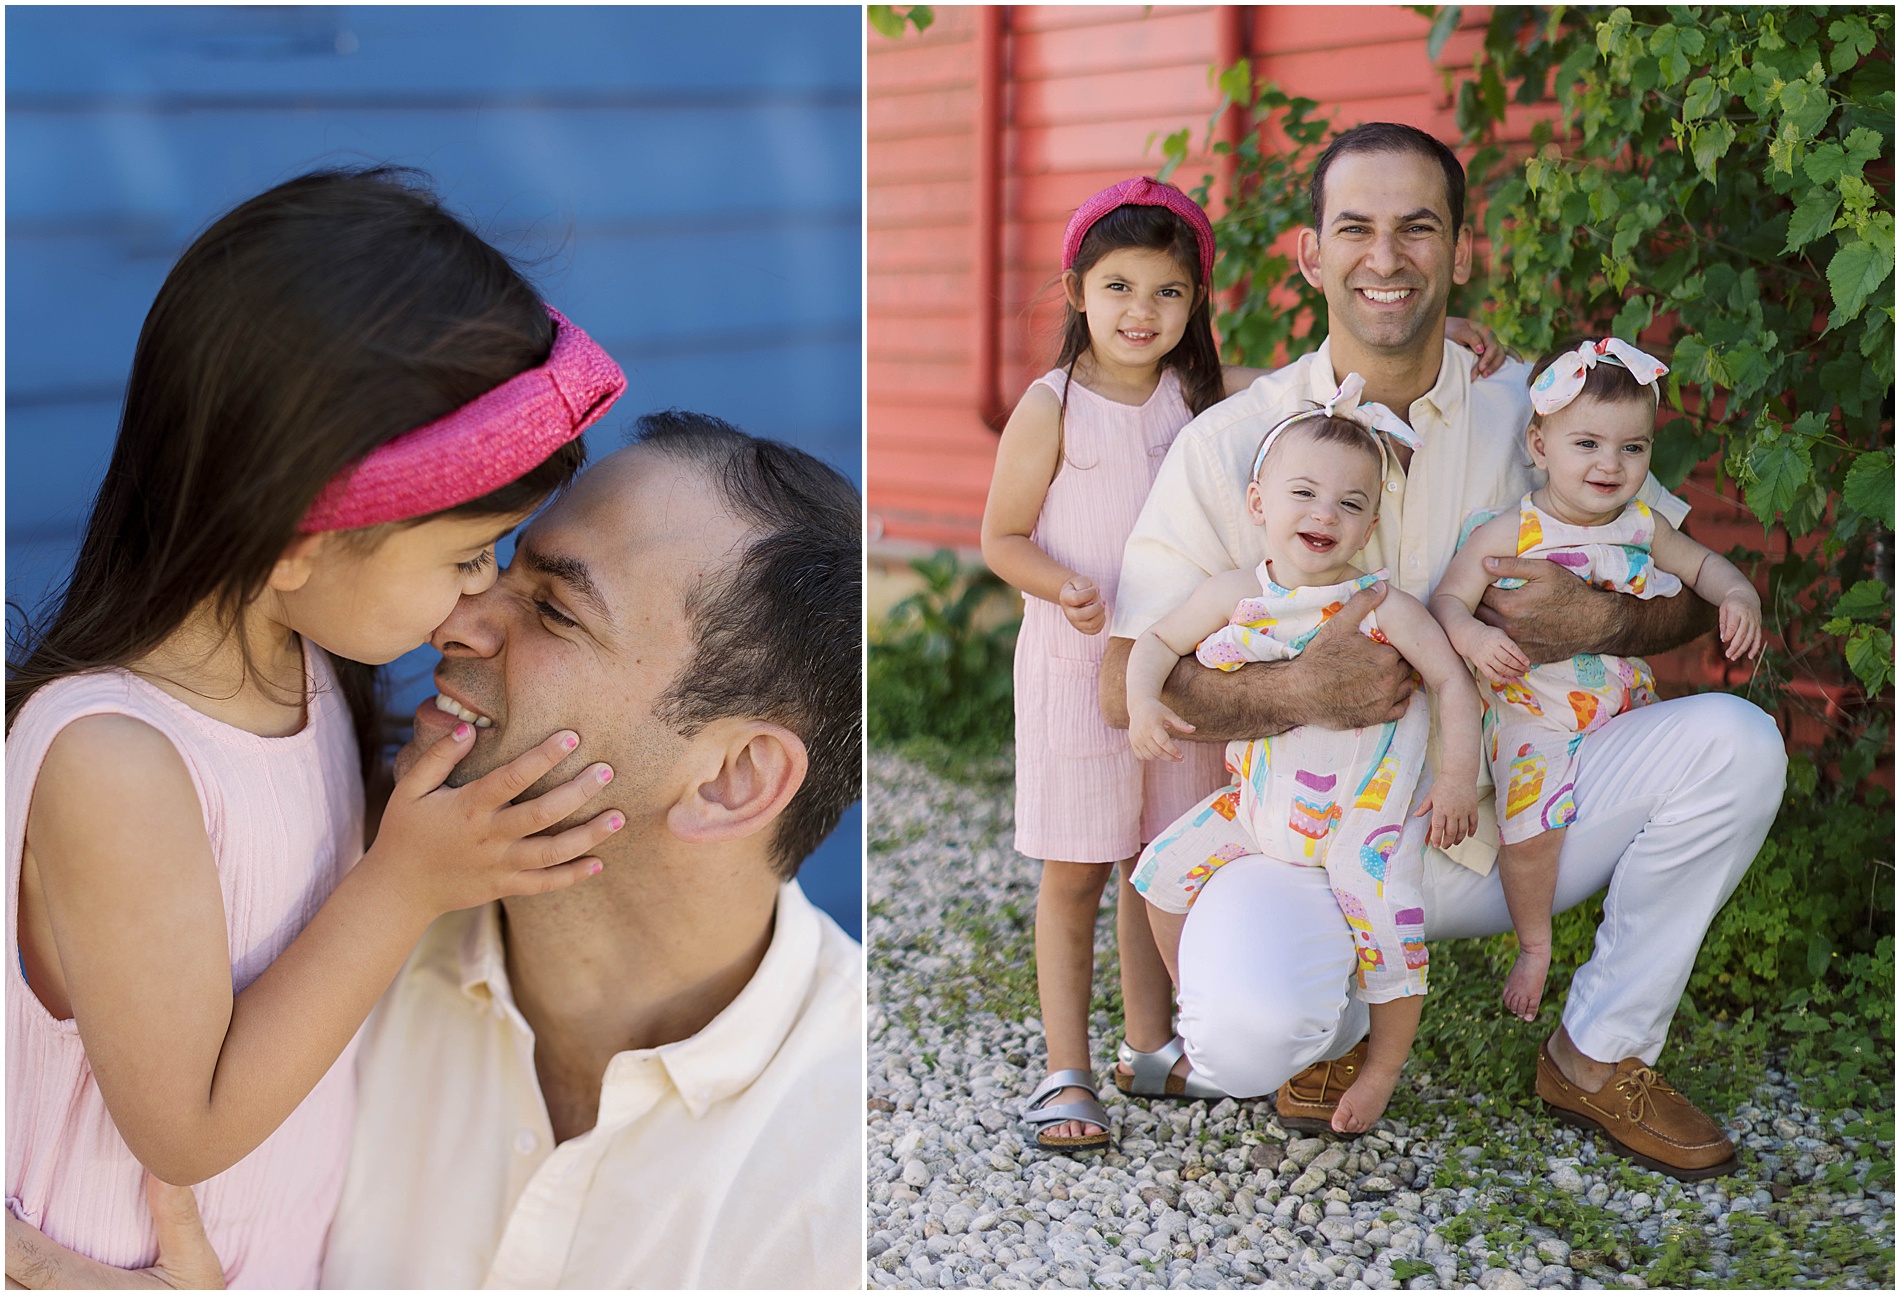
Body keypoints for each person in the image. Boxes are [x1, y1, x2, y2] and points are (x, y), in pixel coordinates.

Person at [6, 413, 865, 1289]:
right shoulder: (310, 888)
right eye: (495, 560)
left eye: (556, 610)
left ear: (732, 778)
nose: (456, 618)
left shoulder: (845, 1187)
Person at [1098, 121, 1784, 1180]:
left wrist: (1598, 620)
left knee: (1735, 744)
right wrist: (1295, 687)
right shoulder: (1235, 441)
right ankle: (1317, 1031)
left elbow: (1687, 599)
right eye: (1355, 228)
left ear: (1460, 252)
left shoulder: (1537, 415)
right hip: (1313, 835)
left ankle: (1597, 1054)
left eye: (1417, 228)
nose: (1385, 257)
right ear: (1309, 254)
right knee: (1241, 1036)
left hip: (1505, 806)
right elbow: (1123, 671)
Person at [5, 168, 623, 1286]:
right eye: (462, 555)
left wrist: (416, 793)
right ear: (293, 539)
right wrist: (403, 881)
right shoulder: (115, 761)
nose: (480, 601)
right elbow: (184, 1122)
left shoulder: (301, 662)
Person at [982, 176, 1503, 1150]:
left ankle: (1152, 1043)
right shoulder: (1051, 405)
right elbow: (1000, 533)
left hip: (1188, 675)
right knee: (1075, 867)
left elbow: (1317, 384)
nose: (1142, 311)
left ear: (1194, 305)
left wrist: (1445, 336)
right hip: (1075, 663)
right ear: (1074, 291)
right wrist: (1058, 585)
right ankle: (1064, 1069)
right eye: (1119, 287)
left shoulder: (1203, 397)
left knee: (1155, 855)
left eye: (1168, 292)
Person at [1123, 378, 1484, 1133]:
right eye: (1304, 493)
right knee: (1157, 873)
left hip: (1361, 827)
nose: (1325, 513)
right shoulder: (1234, 594)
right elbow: (1154, 641)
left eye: (1351, 504)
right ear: (1259, 503)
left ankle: (1382, 1064)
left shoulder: (1385, 606)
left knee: (1391, 938)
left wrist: (1455, 778)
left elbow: (1452, 677)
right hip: (1257, 816)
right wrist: (1143, 702)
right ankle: (1199, 991)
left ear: (1369, 525)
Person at [1431, 337, 1764, 1021]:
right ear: (1539, 445)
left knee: (1693, 779)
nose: (1610, 464)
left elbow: (1706, 567)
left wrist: (1740, 597)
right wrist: (1477, 635)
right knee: (1530, 831)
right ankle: (1534, 942)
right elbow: (1446, 600)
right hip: (1535, 715)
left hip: (1623, 710)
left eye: (1632, 449)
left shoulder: (1642, 524)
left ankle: (1628, 977)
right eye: (1587, 443)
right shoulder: (1512, 531)